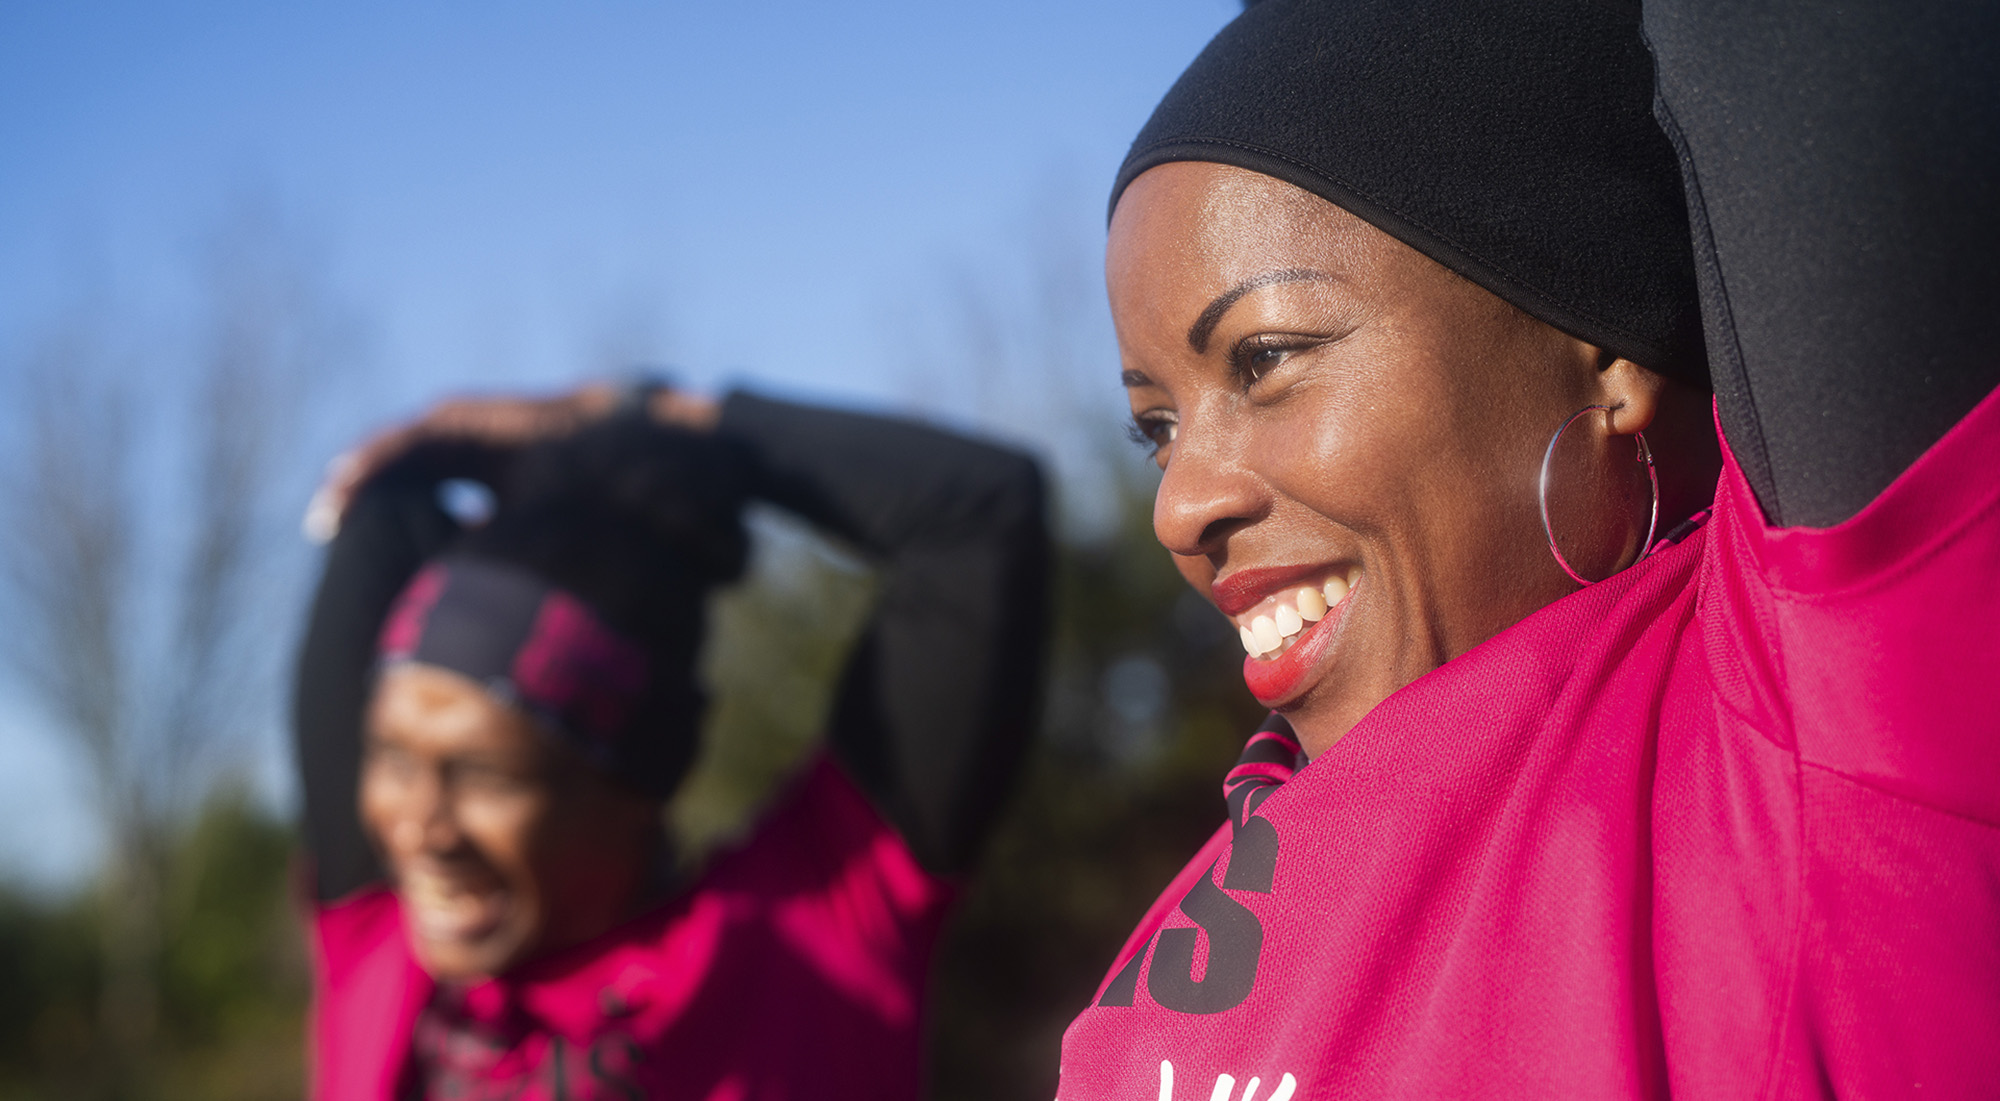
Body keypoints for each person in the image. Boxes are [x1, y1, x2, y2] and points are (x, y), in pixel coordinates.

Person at [1057, 0, 1998, 1097]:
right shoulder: (1178, 924)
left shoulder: (1807, 717)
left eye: (1265, 357)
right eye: (1154, 431)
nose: (1178, 508)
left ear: (1602, 357)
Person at [292, 386, 1048, 1099]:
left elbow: (976, 513)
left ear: (639, 773)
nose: (421, 827)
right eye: (392, 758)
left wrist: (636, 409)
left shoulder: (822, 925)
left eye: (487, 774)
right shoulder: (383, 940)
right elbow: (386, 508)